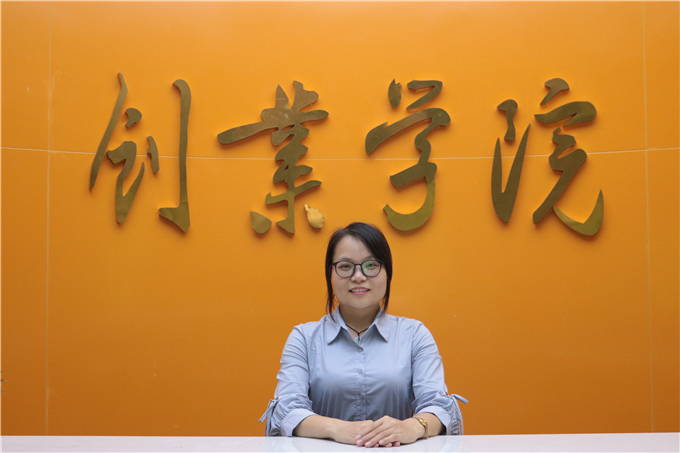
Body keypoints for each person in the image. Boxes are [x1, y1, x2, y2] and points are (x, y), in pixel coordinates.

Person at [260, 222, 466, 447]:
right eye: (345, 266)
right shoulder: (303, 337)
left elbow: (438, 406)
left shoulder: (415, 335)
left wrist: (411, 427)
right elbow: (288, 411)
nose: (358, 276)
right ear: (330, 274)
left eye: (371, 265)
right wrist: (338, 429)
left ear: (387, 272)